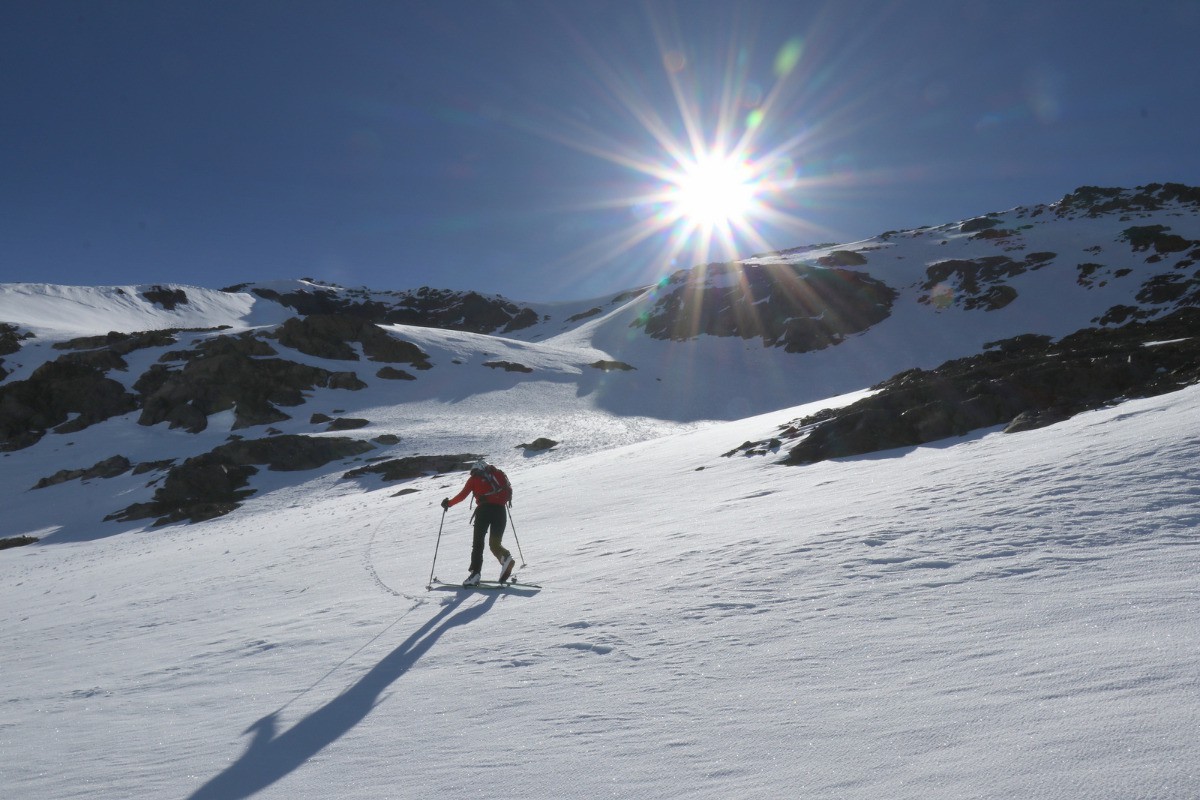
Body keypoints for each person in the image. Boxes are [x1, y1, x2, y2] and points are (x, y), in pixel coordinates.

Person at [441, 460, 515, 586]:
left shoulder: (474, 478)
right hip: (500, 511)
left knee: (478, 544)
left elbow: (463, 495)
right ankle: (505, 558)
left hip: (484, 511)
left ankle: (475, 574)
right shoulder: (498, 474)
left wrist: (448, 503)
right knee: (495, 544)